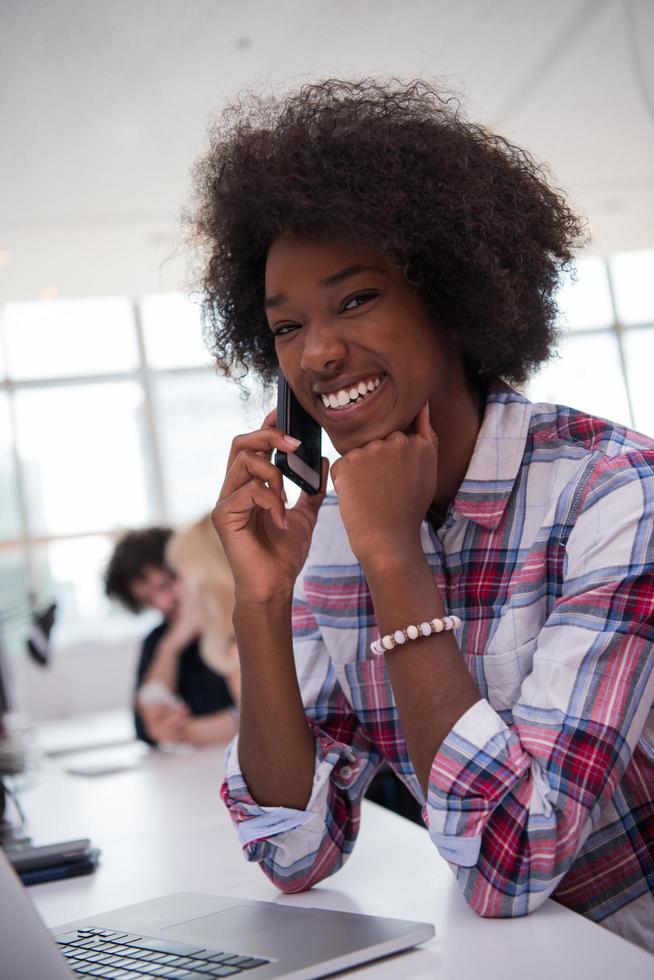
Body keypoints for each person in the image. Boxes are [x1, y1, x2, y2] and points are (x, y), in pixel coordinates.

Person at [190, 80, 654, 952]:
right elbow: (293, 850)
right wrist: (262, 600)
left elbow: (513, 862)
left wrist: (394, 557)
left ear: (450, 294)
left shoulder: (614, 493)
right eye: (287, 327)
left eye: (355, 300)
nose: (318, 354)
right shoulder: (334, 531)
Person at [104, 523, 239, 746]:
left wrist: (187, 731)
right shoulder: (159, 639)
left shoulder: (235, 624)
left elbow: (257, 718)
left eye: (164, 585)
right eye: (148, 600)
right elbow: (144, 727)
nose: (162, 604)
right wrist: (171, 645)